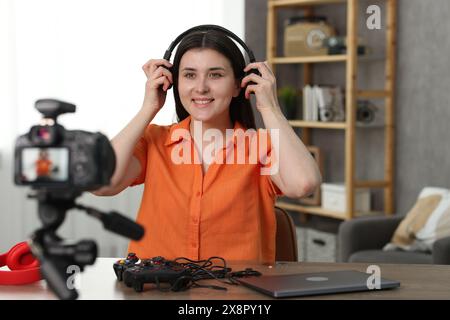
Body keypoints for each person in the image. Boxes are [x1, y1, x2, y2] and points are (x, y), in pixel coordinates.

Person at [93, 29, 321, 263]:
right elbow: (100, 182)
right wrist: (148, 108)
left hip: (236, 294)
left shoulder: (260, 146)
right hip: (157, 291)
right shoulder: (154, 140)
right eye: (190, 75)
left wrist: (269, 107)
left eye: (215, 75)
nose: (201, 87)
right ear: (172, 83)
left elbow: (303, 184)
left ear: (237, 85)